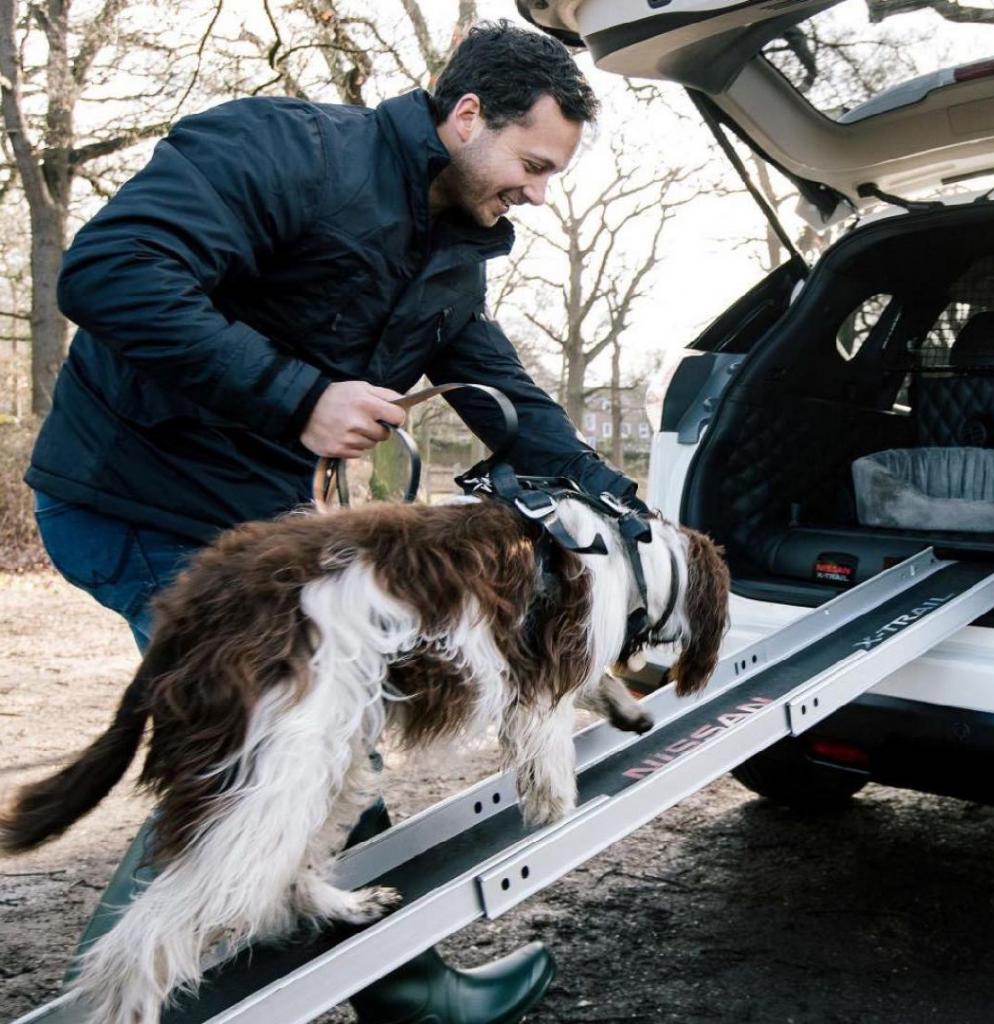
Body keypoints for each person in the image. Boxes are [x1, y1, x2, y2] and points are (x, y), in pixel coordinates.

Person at [25, 21, 641, 1024]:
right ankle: (111, 1008)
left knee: (333, 739)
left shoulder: (451, 257)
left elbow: (501, 395)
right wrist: (296, 394)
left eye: (551, 175)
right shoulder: (286, 150)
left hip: (252, 525)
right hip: (130, 496)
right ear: (467, 114)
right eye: (532, 164)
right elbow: (110, 272)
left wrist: (618, 500)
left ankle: (406, 986)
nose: (536, 191)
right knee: (271, 757)